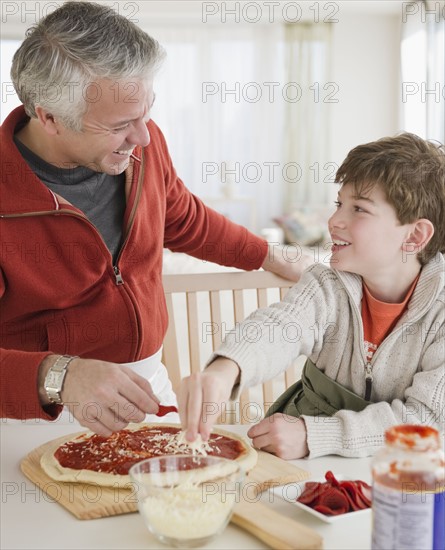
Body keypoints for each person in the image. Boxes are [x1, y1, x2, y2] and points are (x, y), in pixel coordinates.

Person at [0, 1, 310, 436]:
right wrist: (61, 376)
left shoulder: (142, 143)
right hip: (36, 407)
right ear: (49, 117)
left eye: (147, 112)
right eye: (121, 124)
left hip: (148, 384)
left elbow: (180, 216)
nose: (144, 136)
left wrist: (266, 254)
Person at [179, 132, 445, 459]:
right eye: (339, 204)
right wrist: (226, 369)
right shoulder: (326, 285)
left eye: (359, 209)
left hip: (395, 468)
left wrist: (315, 435)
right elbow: (279, 326)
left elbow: (424, 418)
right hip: (298, 463)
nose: (334, 221)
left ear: (415, 235)